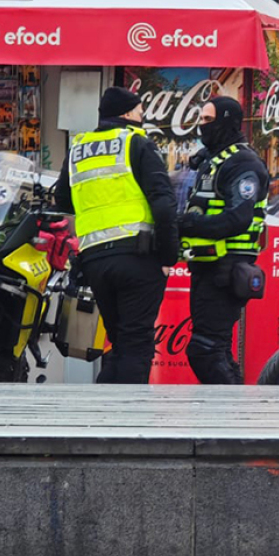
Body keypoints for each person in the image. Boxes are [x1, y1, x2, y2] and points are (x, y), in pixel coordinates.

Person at [55, 86, 178, 384]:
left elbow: (62, 199)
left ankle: (104, 412)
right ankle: (128, 422)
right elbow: (163, 201)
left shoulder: (78, 148)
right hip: (138, 256)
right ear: (126, 114)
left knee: (121, 342)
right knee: (136, 344)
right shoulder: (136, 143)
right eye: (139, 112)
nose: (142, 117)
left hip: (96, 260)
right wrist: (168, 255)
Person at [179, 97, 269, 384]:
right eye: (202, 119)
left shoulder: (243, 163)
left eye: (208, 120)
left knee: (206, 350)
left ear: (227, 121)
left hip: (226, 270)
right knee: (213, 348)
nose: (202, 126)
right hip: (207, 268)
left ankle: (231, 416)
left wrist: (188, 223)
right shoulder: (216, 159)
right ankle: (227, 414)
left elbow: (238, 218)